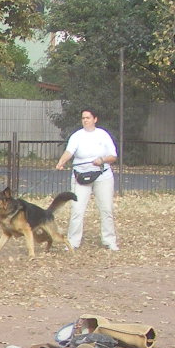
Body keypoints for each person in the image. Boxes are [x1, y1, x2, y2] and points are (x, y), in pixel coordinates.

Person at [55, 107, 119, 251]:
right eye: (83, 118)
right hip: (80, 176)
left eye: (88, 118)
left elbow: (113, 156)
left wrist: (102, 160)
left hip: (102, 176)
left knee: (106, 209)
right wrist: (61, 162)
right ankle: (73, 241)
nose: (85, 120)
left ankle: (109, 240)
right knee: (77, 210)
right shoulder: (77, 136)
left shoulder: (103, 135)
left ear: (95, 119)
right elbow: (69, 151)